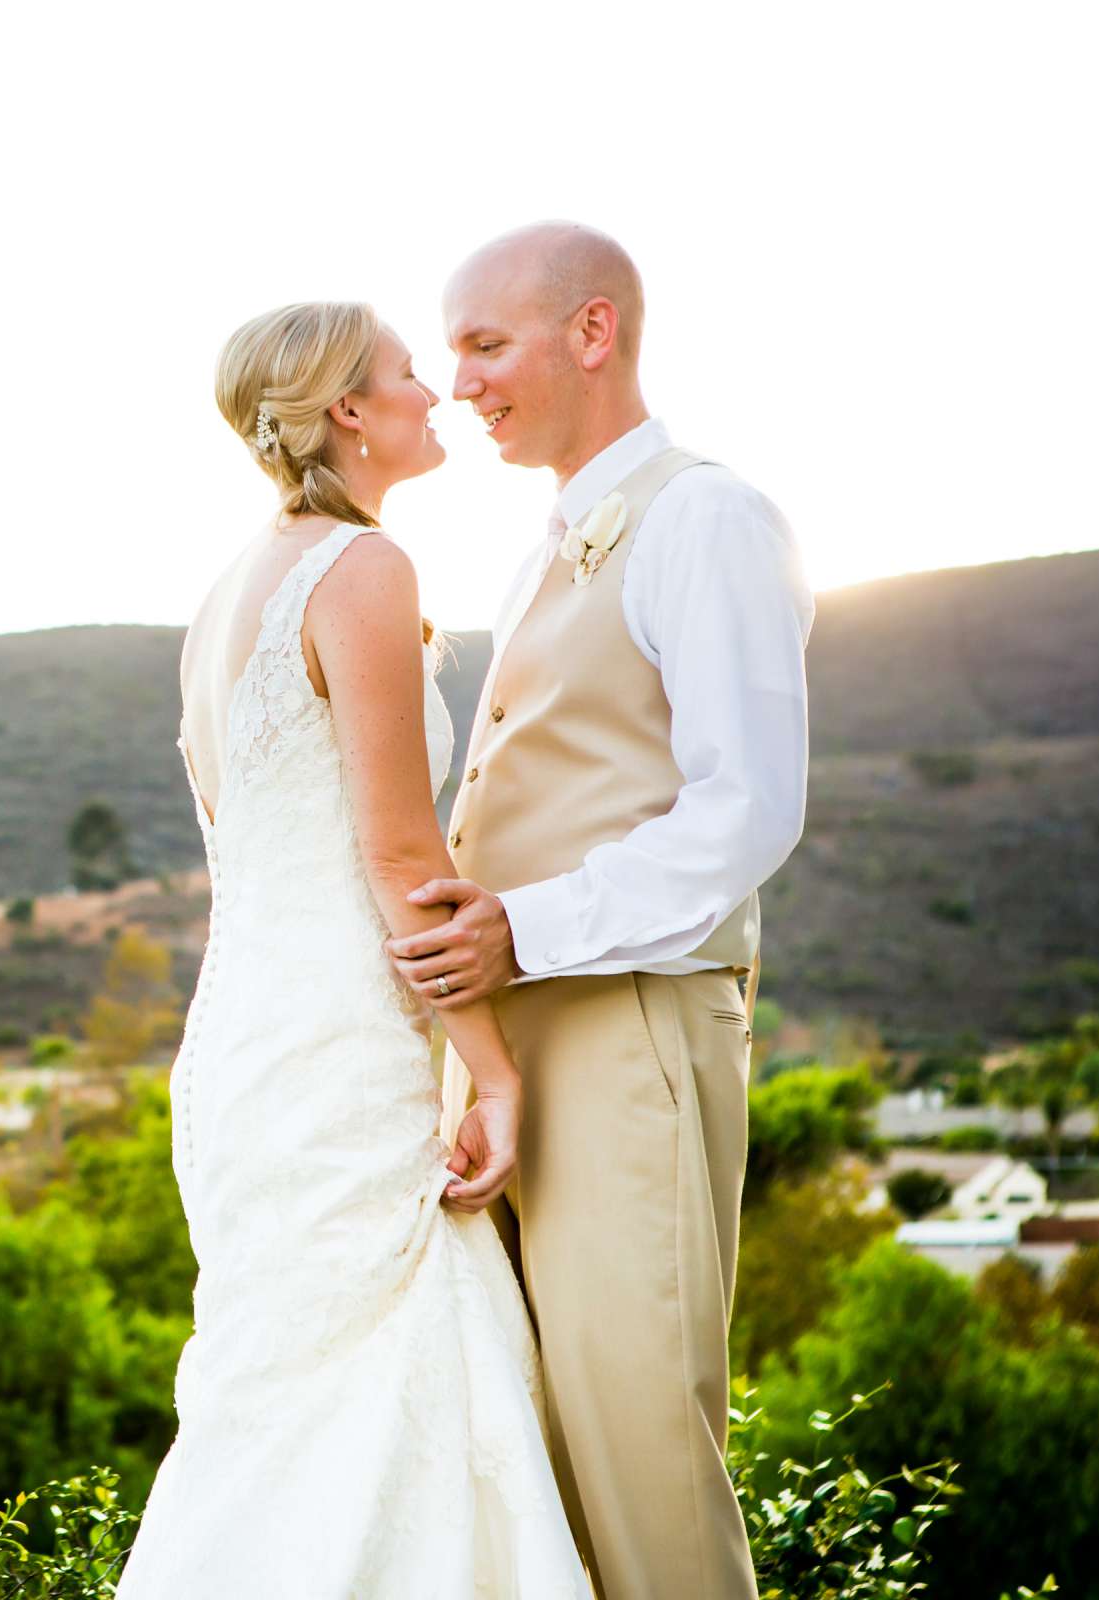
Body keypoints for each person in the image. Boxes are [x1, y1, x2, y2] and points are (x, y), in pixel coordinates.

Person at [114, 301, 591, 1597]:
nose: (432, 389)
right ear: (347, 411)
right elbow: (399, 858)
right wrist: (489, 1068)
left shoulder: (228, 594)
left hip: (243, 1043)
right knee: (372, 1377)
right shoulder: (363, 570)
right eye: (402, 374)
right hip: (333, 1042)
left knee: (281, 1405)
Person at [387, 221, 812, 1600]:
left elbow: (746, 810)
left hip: (630, 1024)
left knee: (639, 1448)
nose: (462, 381)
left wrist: (525, 929)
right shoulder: (543, 547)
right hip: (517, 1044)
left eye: (484, 343)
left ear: (592, 332)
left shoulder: (706, 516)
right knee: (538, 1454)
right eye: (451, 350)